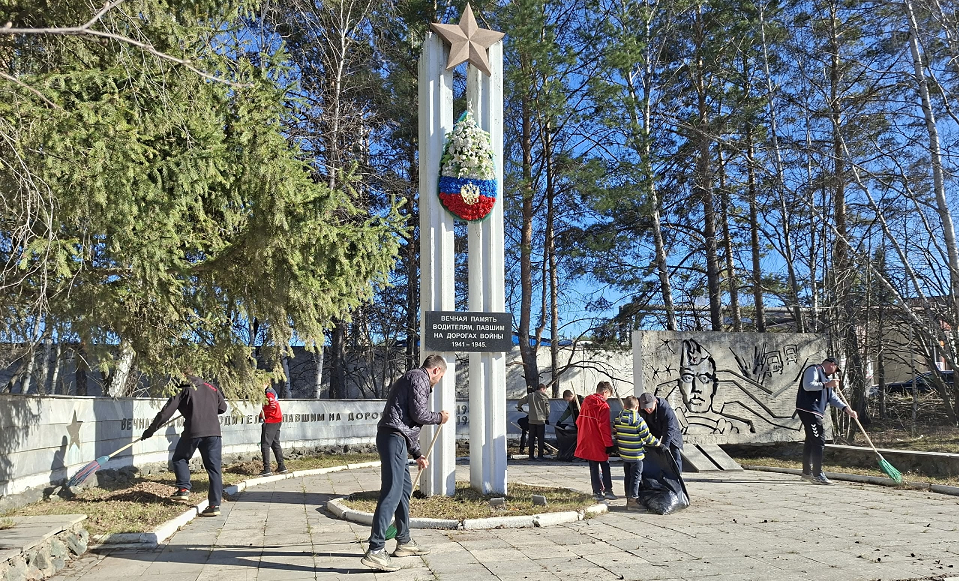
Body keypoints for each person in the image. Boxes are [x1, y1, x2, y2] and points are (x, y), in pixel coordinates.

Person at [362, 355, 451, 572]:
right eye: (440, 377)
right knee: (392, 491)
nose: (438, 382)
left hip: (397, 438)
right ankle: (375, 550)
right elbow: (418, 414)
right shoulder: (419, 378)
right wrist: (439, 417)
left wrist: (418, 454)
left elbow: (407, 421)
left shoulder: (414, 379)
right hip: (393, 438)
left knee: (403, 490)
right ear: (436, 371)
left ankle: (404, 540)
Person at [141, 372, 228, 517]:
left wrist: (151, 430)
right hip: (214, 433)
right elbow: (222, 408)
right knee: (214, 469)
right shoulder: (211, 388)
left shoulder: (183, 388)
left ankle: (183, 489)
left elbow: (165, 413)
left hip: (193, 431)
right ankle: (214, 505)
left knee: (180, 458)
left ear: (183, 375)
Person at [795, 356, 858, 485]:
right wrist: (827, 384)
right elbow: (808, 386)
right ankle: (817, 474)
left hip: (816, 412)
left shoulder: (827, 378)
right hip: (809, 410)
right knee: (819, 440)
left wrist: (847, 409)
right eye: (835, 369)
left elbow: (832, 397)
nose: (834, 372)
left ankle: (807, 473)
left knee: (811, 441)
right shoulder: (814, 369)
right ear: (832, 364)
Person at [575, 381, 616, 502]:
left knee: (593, 467)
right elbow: (604, 427)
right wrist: (609, 444)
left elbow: (578, 421)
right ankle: (608, 490)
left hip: (586, 438)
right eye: (608, 395)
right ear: (605, 392)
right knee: (605, 465)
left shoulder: (585, 403)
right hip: (599, 440)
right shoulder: (603, 406)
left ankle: (596, 492)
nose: (608, 398)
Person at [614, 395, 659, 502]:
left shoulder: (618, 418)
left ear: (624, 406)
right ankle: (633, 499)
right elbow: (646, 437)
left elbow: (615, 432)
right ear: (637, 407)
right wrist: (657, 443)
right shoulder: (638, 419)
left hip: (624, 453)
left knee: (628, 476)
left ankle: (627, 496)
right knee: (636, 477)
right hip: (636, 454)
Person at [639, 392, 684, 473]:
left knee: (675, 453)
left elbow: (669, 429)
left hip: (671, 432)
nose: (648, 410)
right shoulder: (640, 407)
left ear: (655, 402)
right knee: (654, 455)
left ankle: (678, 476)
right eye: (645, 408)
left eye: (649, 407)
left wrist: (664, 445)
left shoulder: (665, 409)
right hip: (653, 431)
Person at [258, 383, 287, 476]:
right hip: (277, 419)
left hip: (271, 420)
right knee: (275, 443)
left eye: (261, 383)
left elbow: (272, 405)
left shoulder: (268, 393)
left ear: (266, 383)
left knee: (265, 444)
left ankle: (267, 469)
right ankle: (281, 467)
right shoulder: (271, 392)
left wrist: (265, 415)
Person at [517, 383, 550, 460]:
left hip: (531, 420)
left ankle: (531, 456)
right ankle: (540, 456)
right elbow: (547, 410)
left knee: (531, 438)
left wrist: (519, 407)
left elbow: (521, 401)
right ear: (542, 389)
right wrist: (547, 418)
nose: (545, 392)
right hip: (541, 421)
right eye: (545, 390)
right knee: (540, 438)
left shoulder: (530, 396)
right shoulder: (545, 398)